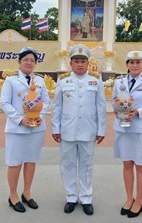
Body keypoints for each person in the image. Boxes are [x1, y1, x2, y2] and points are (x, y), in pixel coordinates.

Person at [51, 44, 106, 216]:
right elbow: (57, 107)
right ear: (71, 63)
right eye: (76, 61)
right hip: (67, 130)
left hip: (88, 131)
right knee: (67, 164)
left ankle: (86, 198)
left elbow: (101, 107)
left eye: (83, 61)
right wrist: (55, 128)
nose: (80, 64)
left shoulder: (96, 81)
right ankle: (71, 197)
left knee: (87, 165)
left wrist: (101, 130)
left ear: (88, 63)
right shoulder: (63, 80)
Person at [0, 47, 50, 213]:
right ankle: (13, 196)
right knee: (15, 162)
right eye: (26, 60)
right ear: (19, 62)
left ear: (35, 64)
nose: (29, 63)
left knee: (31, 161)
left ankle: (27, 193)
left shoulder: (41, 81)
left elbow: (47, 102)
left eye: (32, 60)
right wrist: (21, 119)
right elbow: (4, 103)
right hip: (17, 128)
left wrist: (40, 116)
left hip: (36, 128)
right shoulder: (11, 81)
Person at [112, 51, 142, 218]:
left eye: (138, 62)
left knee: (140, 165)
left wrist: (138, 111)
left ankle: (139, 201)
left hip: (141, 129)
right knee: (126, 164)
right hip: (123, 127)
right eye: (131, 62)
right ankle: (128, 198)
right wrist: (117, 108)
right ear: (127, 64)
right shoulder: (119, 82)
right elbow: (114, 99)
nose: (134, 65)